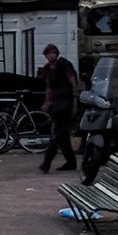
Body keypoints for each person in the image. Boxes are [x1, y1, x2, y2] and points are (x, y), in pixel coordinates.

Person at [37, 43, 81, 172]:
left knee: (58, 133)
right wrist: (46, 102)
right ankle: (71, 161)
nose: (52, 55)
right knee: (62, 135)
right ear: (45, 55)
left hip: (66, 101)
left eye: (54, 53)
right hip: (55, 103)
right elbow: (48, 87)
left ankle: (46, 163)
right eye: (49, 53)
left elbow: (73, 81)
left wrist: (75, 99)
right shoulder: (46, 69)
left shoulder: (64, 64)